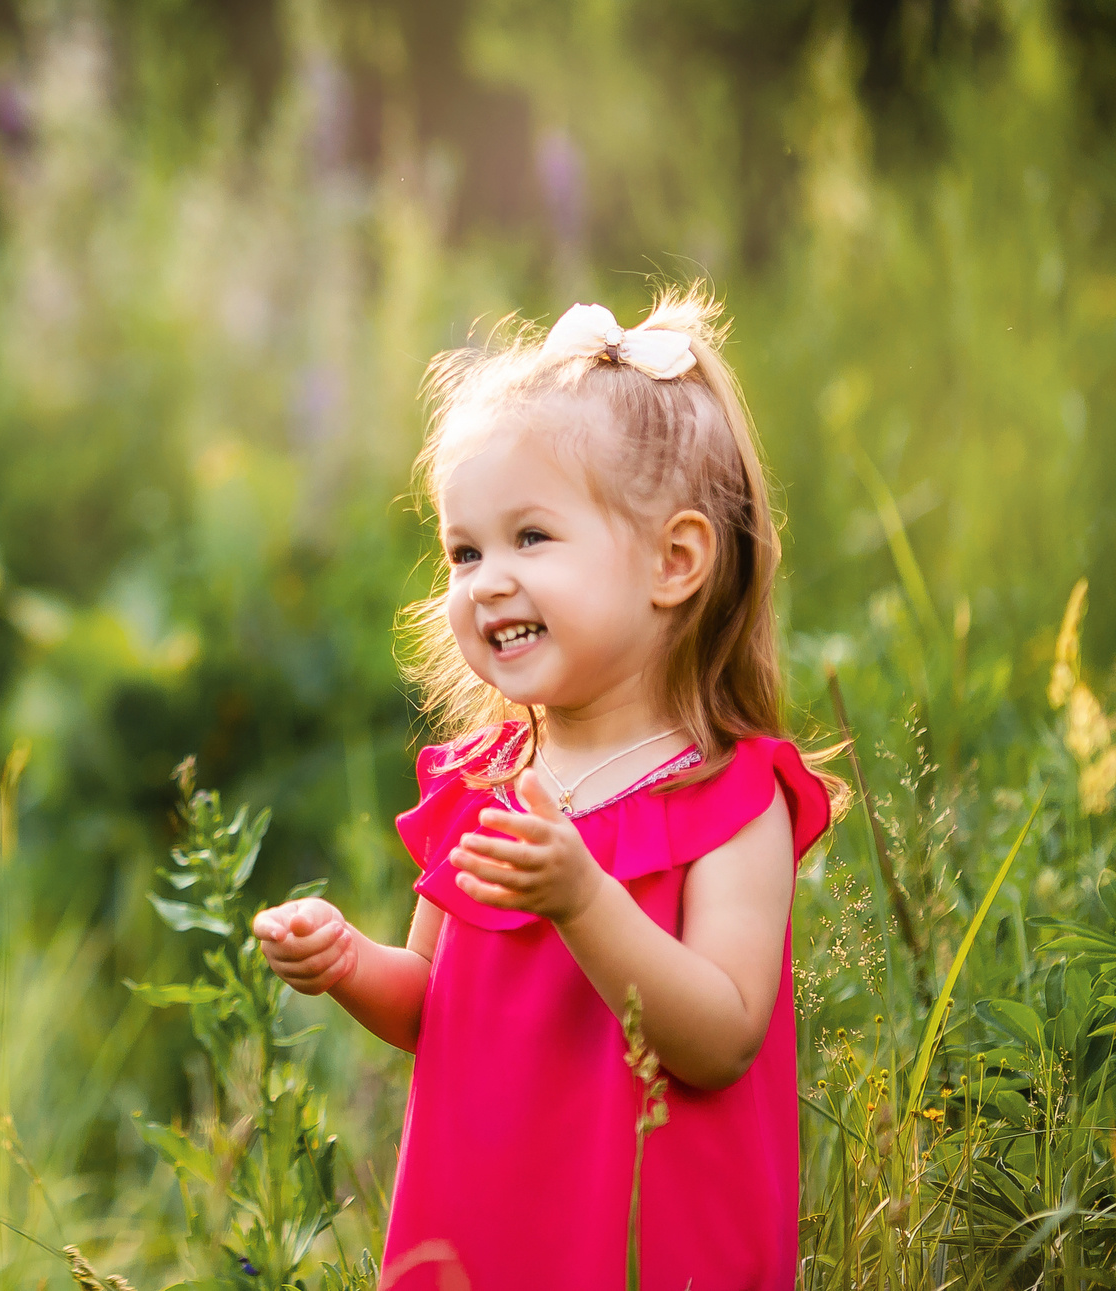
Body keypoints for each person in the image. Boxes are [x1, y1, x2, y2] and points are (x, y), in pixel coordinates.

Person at [252, 291, 836, 1291]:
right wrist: (351, 962)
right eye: (464, 551)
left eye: (531, 538)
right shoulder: (481, 786)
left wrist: (582, 899)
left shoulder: (730, 796)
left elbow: (721, 1038)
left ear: (674, 561)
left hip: (649, 1242)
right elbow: (433, 1009)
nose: (484, 582)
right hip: (481, 1230)